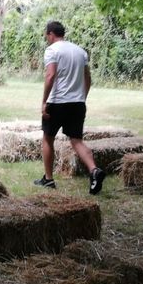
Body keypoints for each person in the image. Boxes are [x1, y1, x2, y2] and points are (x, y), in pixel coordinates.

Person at [34, 21, 105, 195]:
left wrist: (44, 102)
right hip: (77, 103)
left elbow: (50, 76)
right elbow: (88, 79)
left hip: (57, 103)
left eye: (46, 35)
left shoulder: (52, 50)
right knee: (77, 141)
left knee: (48, 139)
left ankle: (49, 180)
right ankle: (94, 170)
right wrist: (82, 98)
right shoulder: (80, 52)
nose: (47, 38)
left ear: (51, 34)